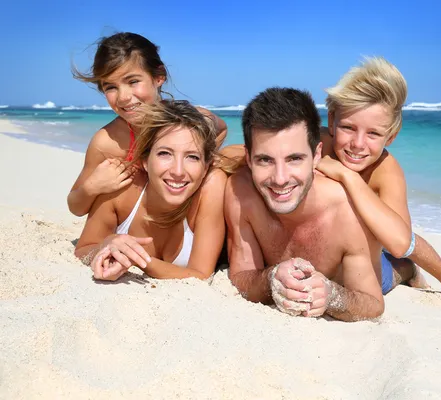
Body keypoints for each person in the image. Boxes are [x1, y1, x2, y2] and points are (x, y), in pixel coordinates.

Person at [316, 57, 441, 305]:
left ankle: (406, 271)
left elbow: (402, 241)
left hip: (370, 251)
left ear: (390, 137)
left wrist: (347, 176)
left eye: (373, 133)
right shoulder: (313, 142)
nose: (358, 144)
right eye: (348, 128)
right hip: (322, 240)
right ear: (331, 121)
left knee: (373, 278)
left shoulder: (386, 171)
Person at [225, 87, 385, 322]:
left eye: (294, 159)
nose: (280, 179)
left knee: (393, 271)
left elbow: (373, 303)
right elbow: (241, 276)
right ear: (248, 158)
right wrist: (271, 279)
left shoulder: (347, 212)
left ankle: (407, 268)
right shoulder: (241, 194)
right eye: (265, 160)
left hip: (372, 263)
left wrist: (332, 296)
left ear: (317, 155)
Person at [68, 32, 227, 217]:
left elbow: (221, 129)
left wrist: (205, 161)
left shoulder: (190, 120)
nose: (123, 97)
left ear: (159, 77)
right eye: (110, 87)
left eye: (133, 81)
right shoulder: (107, 142)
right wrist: (93, 186)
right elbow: (76, 207)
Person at [74, 100, 227, 281]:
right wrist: (106, 244)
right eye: (164, 153)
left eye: (192, 157)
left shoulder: (211, 186)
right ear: (145, 160)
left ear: (206, 165)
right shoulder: (121, 186)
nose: (178, 171)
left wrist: (136, 258)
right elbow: (83, 249)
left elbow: (200, 275)